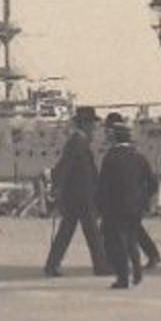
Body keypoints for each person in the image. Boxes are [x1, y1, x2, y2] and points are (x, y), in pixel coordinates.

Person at [43, 106, 111, 277]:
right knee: (91, 232)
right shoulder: (78, 142)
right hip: (80, 196)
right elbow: (66, 166)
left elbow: (64, 166)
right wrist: (57, 187)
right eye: (92, 124)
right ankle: (100, 266)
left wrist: (58, 186)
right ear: (85, 124)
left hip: (76, 195)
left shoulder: (77, 141)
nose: (95, 129)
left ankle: (52, 265)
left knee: (69, 232)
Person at [97, 118, 159, 289]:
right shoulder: (138, 157)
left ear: (115, 138)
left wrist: (100, 207)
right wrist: (143, 200)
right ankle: (137, 271)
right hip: (135, 208)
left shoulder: (111, 157)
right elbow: (153, 183)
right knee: (131, 240)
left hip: (115, 209)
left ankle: (123, 278)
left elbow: (103, 185)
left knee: (115, 243)